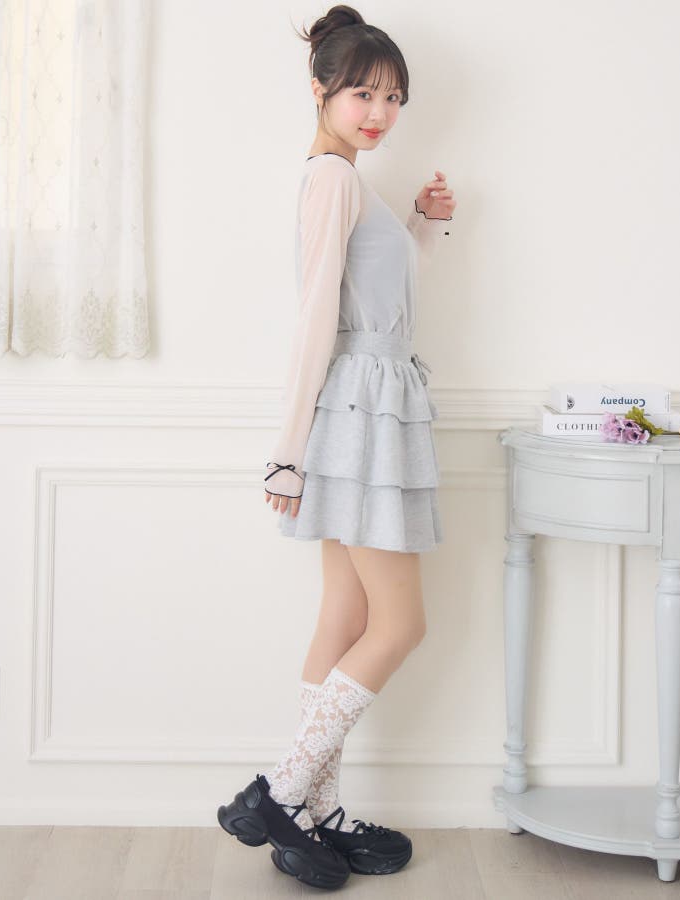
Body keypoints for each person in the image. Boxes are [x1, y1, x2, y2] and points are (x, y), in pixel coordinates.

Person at [217, 4, 457, 889]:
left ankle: (313, 817)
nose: (380, 111)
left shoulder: (350, 180)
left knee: (345, 617)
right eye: (363, 92)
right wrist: (287, 453)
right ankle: (281, 795)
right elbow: (318, 319)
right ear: (319, 89)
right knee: (400, 625)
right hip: (360, 409)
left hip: (365, 402)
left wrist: (421, 224)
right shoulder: (332, 180)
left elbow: (370, 300)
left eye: (393, 97)